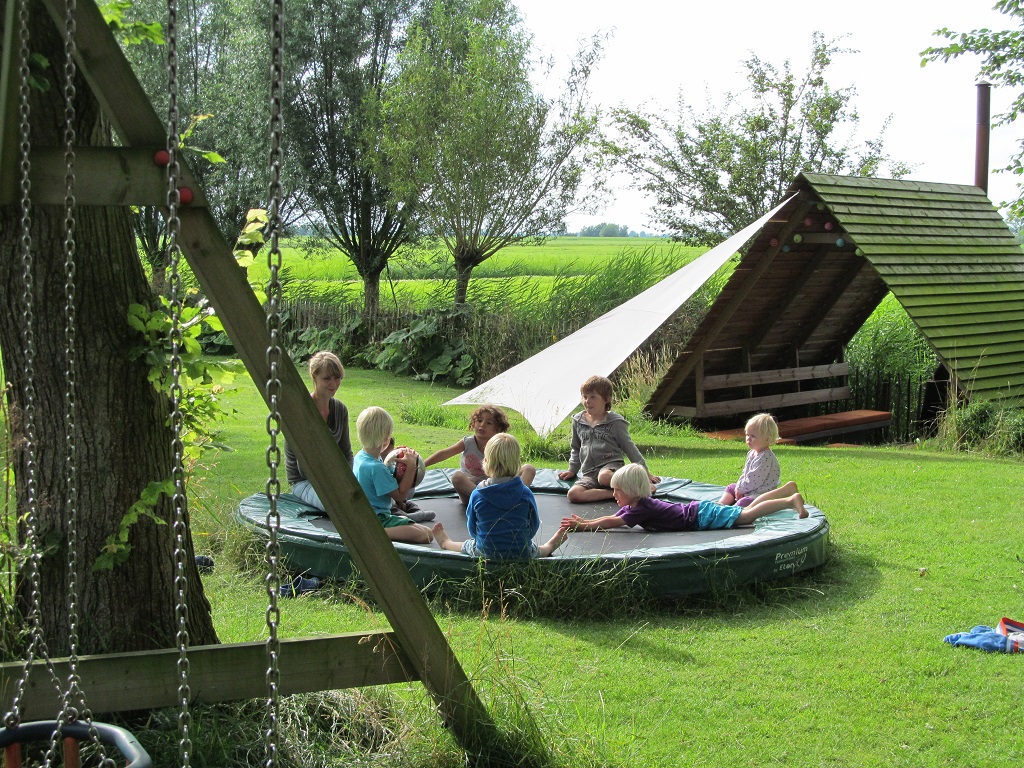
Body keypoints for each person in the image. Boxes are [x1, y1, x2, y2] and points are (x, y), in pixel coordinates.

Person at [432, 433, 568, 560]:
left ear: (485, 461)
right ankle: (550, 546)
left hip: (486, 551)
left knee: (466, 545)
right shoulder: (525, 493)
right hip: (521, 552)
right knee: (537, 550)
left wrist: (480, 540)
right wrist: (523, 540)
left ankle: (446, 543)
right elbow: (534, 524)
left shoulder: (478, 493)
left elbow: (472, 527)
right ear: (517, 463)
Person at [563, 463, 808, 533]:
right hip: (697, 511)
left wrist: (584, 526)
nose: (613, 495)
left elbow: (610, 522)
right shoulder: (638, 504)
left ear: (632, 491)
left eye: (617, 491)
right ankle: (787, 496)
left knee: (747, 515)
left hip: (700, 516)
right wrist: (583, 523)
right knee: (746, 511)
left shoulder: (639, 509)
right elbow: (614, 516)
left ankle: (789, 501)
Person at [557, 375, 659, 503]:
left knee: (604, 476)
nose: (587, 401)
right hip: (590, 473)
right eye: (585, 396)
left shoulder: (615, 422)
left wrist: (645, 473)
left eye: (593, 397)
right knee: (573, 494)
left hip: (611, 469)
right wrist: (572, 469)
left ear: (606, 399)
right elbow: (576, 447)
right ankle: (616, 493)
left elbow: (630, 448)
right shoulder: (578, 420)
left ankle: (637, 487)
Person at [352, 406, 433, 544]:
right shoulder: (377, 468)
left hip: (363, 515)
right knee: (427, 534)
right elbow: (401, 496)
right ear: (386, 437)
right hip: (377, 518)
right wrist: (411, 467)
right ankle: (373, 533)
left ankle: (373, 529)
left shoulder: (361, 456)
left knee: (414, 525)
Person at [424, 404, 536, 504]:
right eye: (479, 420)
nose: (482, 425)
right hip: (472, 492)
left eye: (488, 423)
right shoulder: (468, 443)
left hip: (496, 486)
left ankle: (518, 498)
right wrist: (423, 465)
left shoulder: (500, 444)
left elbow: (511, 465)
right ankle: (490, 501)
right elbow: (445, 453)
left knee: (529, 468)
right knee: (457, 477)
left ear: (498, 429)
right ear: (473, 423)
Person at [284, 351, 352, 510]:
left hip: (334, 478)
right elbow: (303, 468)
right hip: (304, 481)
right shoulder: (301, 411)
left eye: (337, 378)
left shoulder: (340, 410)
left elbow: (346, 453)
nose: (333, 384)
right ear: (314, 377)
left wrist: (348, 480)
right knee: (339, 504)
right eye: (327, 378)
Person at [718, 413, 781, 507]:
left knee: (744, 502)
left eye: (753, 436)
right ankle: (720, 504)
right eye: (747, 435)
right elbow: (745, 473)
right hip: (749, 489)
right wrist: (738, 487)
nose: (748, 439)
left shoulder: (765, 458)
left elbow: (754, 480)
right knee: (731, 487)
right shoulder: (752, 453)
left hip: (761, 494)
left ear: (768, 439)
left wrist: (741, 489)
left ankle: (731, 511)